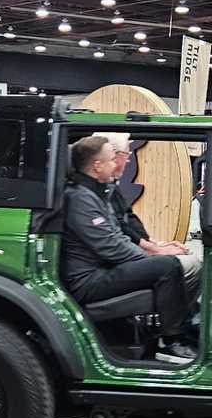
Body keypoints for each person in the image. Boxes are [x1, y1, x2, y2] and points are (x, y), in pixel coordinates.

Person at [62, 136, 197, 363]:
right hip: (89, 280)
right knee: (167, 267)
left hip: (103, 269)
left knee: (165, 263)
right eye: (111, 159)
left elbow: (120, 234)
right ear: (97, 166)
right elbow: (112, 247)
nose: (116, 164)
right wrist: (151, 256)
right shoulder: (79, 198)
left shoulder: (96, 192)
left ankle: (178, 328)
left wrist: (152, 251)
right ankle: (171, 341)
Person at [100, 133, 203, 293]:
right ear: (111, 154)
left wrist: (154, 244)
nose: (128, 160)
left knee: (188, 260)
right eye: (126, 154)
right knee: (184, 265)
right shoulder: (92, 195)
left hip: (124, 254)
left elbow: (128, 219)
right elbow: (118, 231)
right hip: (110, 266)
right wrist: (152, 250)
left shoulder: (109, 188)